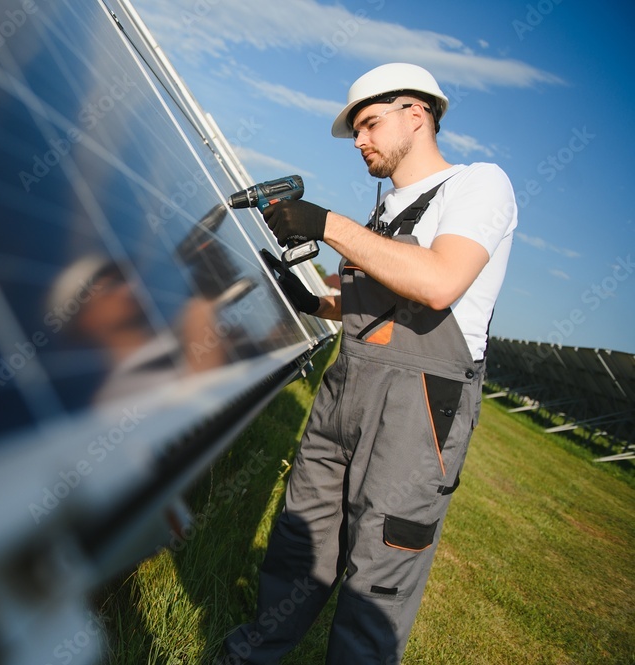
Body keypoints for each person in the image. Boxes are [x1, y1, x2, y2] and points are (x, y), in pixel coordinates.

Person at [221, 62, 517, 663]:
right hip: (345, 389)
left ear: (418, 113)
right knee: (300, 542)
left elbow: (438, 282)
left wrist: (328, 224)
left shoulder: (478, 185)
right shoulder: (386, 210)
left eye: (370, 124)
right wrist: (312, 300)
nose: (359, 140)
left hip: (417, 410)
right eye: (356, 130)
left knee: (378, 571)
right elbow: (376, 304)